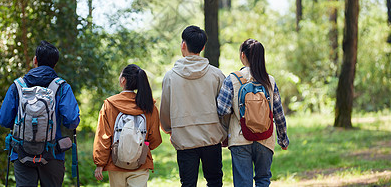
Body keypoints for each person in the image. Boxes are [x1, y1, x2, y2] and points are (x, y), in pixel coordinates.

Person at [0, 40, 80, 187]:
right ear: (55, 64)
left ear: (35, 60)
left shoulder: (18, 86)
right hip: (53, 154)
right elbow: (71, 121)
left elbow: (4, 120)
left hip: (22, 153)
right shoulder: (62, 87)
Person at [160, 25, 227, 187]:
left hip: (184, 138)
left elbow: (165, 109)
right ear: (203, 47)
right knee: (215, 181)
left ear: (183, 45)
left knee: (188, 184)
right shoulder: (217, 75)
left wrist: (169, 129)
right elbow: (225, 109)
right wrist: (225, 131)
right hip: (212, 137)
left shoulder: (170, 77)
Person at [217, 38, 289, 187]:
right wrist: (283, 139)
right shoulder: (270, 80)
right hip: (265, 138)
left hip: (239, 138)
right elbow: (278, 113)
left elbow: (222, 109)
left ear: (242, 55)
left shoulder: (232, 79)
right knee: (263, 180)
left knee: (243, 183)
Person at [93, 64, 162, 187]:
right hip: (141, 163)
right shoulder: (149, 106)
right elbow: (155, 139)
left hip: (115, 164)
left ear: (123, 80)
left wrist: (100, 163)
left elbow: (103, 136)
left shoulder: (110, 104)